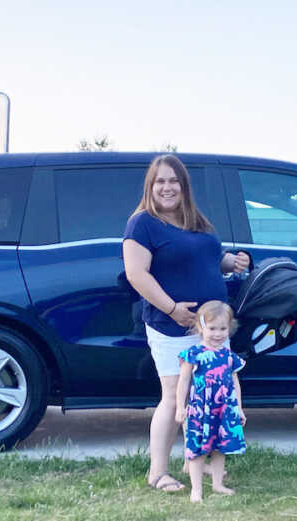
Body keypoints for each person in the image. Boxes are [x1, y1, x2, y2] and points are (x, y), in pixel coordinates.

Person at [123, 155, 250, 492]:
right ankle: (158, 472)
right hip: (171, 325)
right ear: (151, 186)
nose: (167, 187)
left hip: (212, 329)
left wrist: (230, 262)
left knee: (208, 394)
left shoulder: (194, 219)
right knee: (173, 397)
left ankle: (197, 460)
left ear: (183, 186)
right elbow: (136, 273)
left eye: (173, 181)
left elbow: (205, 258)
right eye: (160, 181)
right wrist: (171, 308)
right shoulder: (143, 223)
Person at [175, 301, 246, 502]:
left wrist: (239, 408)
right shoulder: (194, 354)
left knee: (220, 447)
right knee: (197, 450)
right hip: (200, 409)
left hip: (224, 409)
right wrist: (180, 407)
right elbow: (183, 381)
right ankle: (196, 489)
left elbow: (235, 383)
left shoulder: (229, 356)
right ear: (200, 327)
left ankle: (217, 484)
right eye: (212, 328)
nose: (218, 334)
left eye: (223, 329)